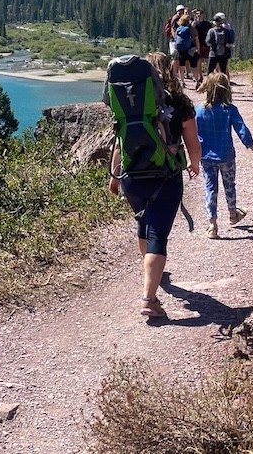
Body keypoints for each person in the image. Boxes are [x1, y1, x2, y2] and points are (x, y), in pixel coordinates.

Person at [106, 51, 201, 321]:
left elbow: (119, 142)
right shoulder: (180, 104)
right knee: (158, 233)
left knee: (143, 223)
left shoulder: (128, 107)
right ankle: (149, 298)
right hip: (165, 176)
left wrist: (115, 177)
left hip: (132, 178)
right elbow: (193, 142)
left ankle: (151, 271)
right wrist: (194, 163)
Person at [196, 72, 253, 239]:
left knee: (210, 188)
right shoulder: (230, 110)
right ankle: (233, 215)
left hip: (206, 157)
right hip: (226, 155)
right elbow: (242, 131)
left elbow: (192, 134)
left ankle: (212, 225)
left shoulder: (198, 111)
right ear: (226, 89)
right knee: (229, 185)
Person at [205, 12, 234, 82]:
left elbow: (207, 42)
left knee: (210, 71)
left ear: (214, 22)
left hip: (213, 54)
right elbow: (230, 41)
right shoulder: (226, 31)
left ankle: (209, 85)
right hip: (224, 54)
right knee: (223, 72)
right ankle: (224, 85)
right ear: (220, 22)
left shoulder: (211, 31)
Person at [173, 12, 198, 87]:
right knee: (193, 66)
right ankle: (197, 81)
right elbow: (196, 39)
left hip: (180, 50)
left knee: (181, 66)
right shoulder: (191, 29)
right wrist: (197, 49)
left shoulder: (178, 29)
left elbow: (175, 38)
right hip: (190, 49)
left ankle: (182, 82)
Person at [192, 8, 212, 87]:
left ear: (203, 14)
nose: (198, 15)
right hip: (198, 44)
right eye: (197, 14)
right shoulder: (195, 24)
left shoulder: (207, 24)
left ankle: (209, 75)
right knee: (199, 60)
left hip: (206, 44)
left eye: (199, 14)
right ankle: (200, 76)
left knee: (208, 60)